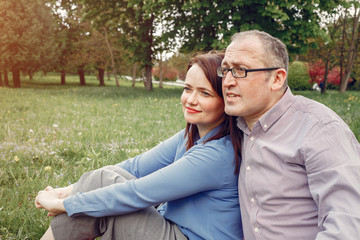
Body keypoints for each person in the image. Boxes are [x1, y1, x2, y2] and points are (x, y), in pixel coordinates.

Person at [35, 51, 244, 240]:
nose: (190, 99)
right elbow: (134, 167)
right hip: (173, 228)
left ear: (225, 101)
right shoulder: (192, 134)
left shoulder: (217, 154)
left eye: (204, 93)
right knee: (104, 178)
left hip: (186, 236)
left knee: (108, 200)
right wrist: (66, 192)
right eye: (188, 89)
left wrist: (63, 205)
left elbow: (138, 193)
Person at [217, 30, 360, 239]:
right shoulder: (237, 127)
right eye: (226, 70)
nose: (228, 81)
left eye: (240, 70)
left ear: (276, 78)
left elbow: (348, 225)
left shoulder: (320, 129)